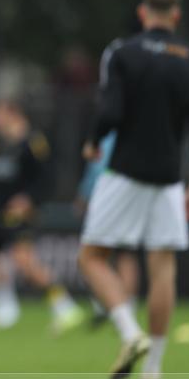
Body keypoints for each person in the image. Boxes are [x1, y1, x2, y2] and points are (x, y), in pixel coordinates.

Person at [78, 0, 189, 379]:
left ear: (143, 13)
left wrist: (93, 141)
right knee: (163, 268)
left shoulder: (122, 53)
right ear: (176, 15)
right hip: (169, 179)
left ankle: (129, 331)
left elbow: (110, 110)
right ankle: (153, 367)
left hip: (125, 172)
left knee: (91, 257)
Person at [0, 99, 84, 335]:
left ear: (12, 114)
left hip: (18, 212)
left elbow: (47, 179)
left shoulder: (33, 142)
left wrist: (29, 200)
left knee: (24, 260)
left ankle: (65, 306)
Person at [74, 130, 140, 329]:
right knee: (125, 254)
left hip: (106, 199)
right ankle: (126, 306)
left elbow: (96, 170)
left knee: (94, 257)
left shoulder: (107, 135)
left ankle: (111, 308)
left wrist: (83, 195)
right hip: (132, 197)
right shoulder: (135, 134)